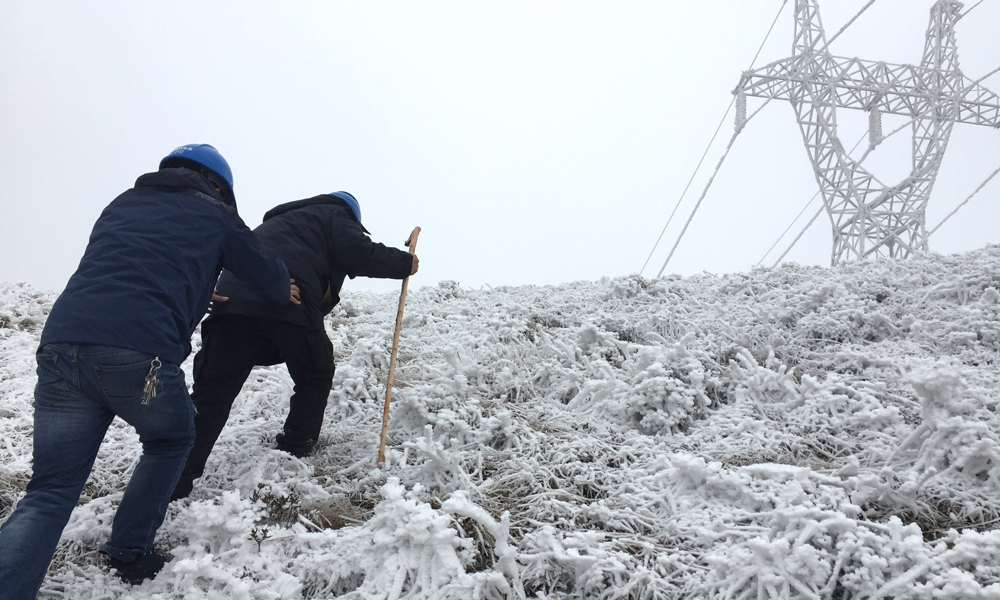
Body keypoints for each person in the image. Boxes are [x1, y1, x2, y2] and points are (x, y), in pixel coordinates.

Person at [0, 144, 300, 597]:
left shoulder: (122, 202)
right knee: (171, 439)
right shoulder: (216, 214)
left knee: (50, 490)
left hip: (63, 345)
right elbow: (270, 278)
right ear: (219, 186)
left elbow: (137, 267)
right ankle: (128, 550)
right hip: (138, 354)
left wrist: (199, 294)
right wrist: (286, 285)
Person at [170, 191, 417, 500]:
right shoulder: (332, 214)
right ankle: (295, 449)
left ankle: (171, 481)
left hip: (231, 308)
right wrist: (404, 262)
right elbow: (357, 250)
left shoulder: (276, 225)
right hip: (289, 301)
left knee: (211, 396)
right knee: (315, 373)